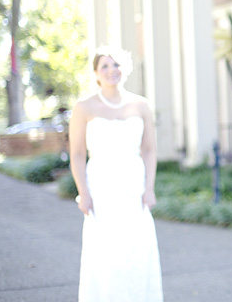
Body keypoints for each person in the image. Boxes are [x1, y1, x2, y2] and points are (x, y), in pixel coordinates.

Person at [69, 46, 163, 302]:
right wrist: (83, 193)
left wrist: (149, 188)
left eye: (116, 64)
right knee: (105, 254)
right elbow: (77, 154)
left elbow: (149, 149)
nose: (112, 70)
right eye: (105, 66)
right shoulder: (84, 107)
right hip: (100, 186)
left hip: (134, 186)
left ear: (125, 69)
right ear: (96, 73)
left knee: (137, 250)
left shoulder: (141, 105)